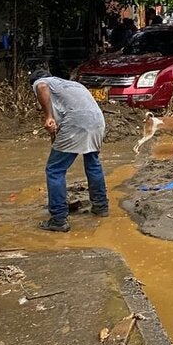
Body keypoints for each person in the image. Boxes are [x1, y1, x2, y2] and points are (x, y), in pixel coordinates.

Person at [31, 68, 109, 232]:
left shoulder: (41, 82)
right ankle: (100, 207)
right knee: (93, 163)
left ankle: (58, 219)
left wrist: (48, 117)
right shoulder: (71, 84)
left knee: (55, 169)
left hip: (77, 122)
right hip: (97, 120)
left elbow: (41, 87)